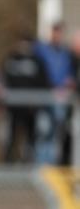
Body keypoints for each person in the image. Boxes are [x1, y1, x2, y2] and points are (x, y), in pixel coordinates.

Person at [2, 35, 50, 162]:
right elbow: (5, 80)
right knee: (12, 137)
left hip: (31, 108)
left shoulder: (38, 61)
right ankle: (9, 163)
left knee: (31, 137)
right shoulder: (12, 59)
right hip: (13, 108)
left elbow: (43, 82)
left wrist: (37, 100)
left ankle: (28, 162)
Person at [34, 21, 74, 164]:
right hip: (46, 97)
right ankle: (41, 167)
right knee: (44, 132)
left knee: (57, 134)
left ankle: (51, 166)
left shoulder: (65, 53)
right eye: (55, 31)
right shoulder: (41, 50)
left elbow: (68, 74)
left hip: (61, 97)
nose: (57, 35)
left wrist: (68, 83)